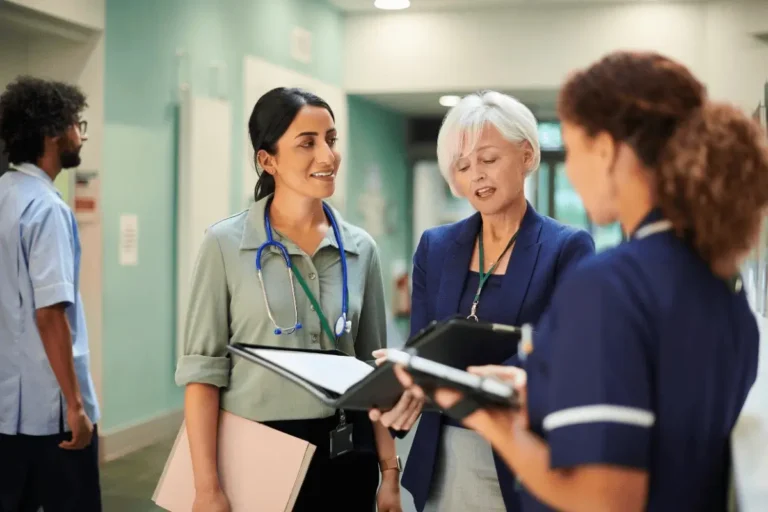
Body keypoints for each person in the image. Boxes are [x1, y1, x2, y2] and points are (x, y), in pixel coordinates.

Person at [393, 51, 768, 512]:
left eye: (571, 150)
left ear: (606, 150)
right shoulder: (722, 287)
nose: (569, 170)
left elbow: (603, 498)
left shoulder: (612, 285)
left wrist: (477, 409)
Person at [175, 87, 403, 512]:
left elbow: (374, 372)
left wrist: (390, 472)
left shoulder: (360, 248)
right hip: (258, 450)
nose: (327, 156)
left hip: (347, 450)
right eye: (307, 143)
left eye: (331, 140)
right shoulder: (225, 245)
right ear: (268, 160)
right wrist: (206, 488)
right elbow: (203, 374)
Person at [370, 91, 595, 512]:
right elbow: (422, 347)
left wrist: (445, 380)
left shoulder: (567, 248)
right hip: (440, 458)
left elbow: (563, 355)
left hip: (523, 451)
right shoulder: (435, 247)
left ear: (526, 155)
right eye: (463, 165)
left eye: (488, 159)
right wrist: (403, 378)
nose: (477, 175)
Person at [0, 76, 101, 511]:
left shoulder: (4, 193)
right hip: (48, 412)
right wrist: (75, 407)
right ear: (53, 132)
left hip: (6, 410)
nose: (81, 135)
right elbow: (50, 314)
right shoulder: (46, 208)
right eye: (77, 124)